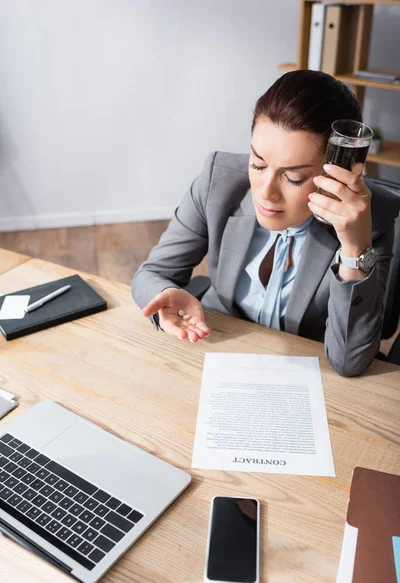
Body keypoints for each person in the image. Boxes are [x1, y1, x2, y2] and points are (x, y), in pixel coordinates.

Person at [131, 70, 399, 377]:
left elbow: (350, 361)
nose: (266, 191)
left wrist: (354, 249)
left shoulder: (370, 220)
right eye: (258, 163)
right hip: (214, 347)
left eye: (293, 177)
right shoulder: (217, 181)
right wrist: (164, 294)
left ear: (336, 173)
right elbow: (151, 274)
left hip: (306, 374)